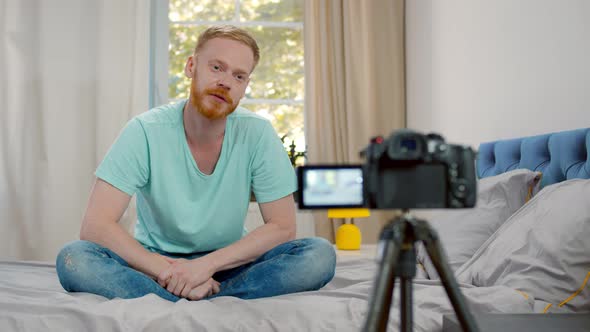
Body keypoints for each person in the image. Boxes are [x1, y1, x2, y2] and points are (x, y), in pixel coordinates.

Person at [55, 25, 336, 302]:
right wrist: (170, 271)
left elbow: (283, 227)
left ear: (245, 86)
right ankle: (203, 296)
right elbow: (96, 225)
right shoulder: (144, 130)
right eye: (216, 68)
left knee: (318, 256)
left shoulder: (258, 133)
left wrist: (204, 267)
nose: (226, 81)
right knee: (74, 258)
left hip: (228, 264)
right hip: (153, 266)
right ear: (191, 66)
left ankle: (192, 295)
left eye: (238, 75)